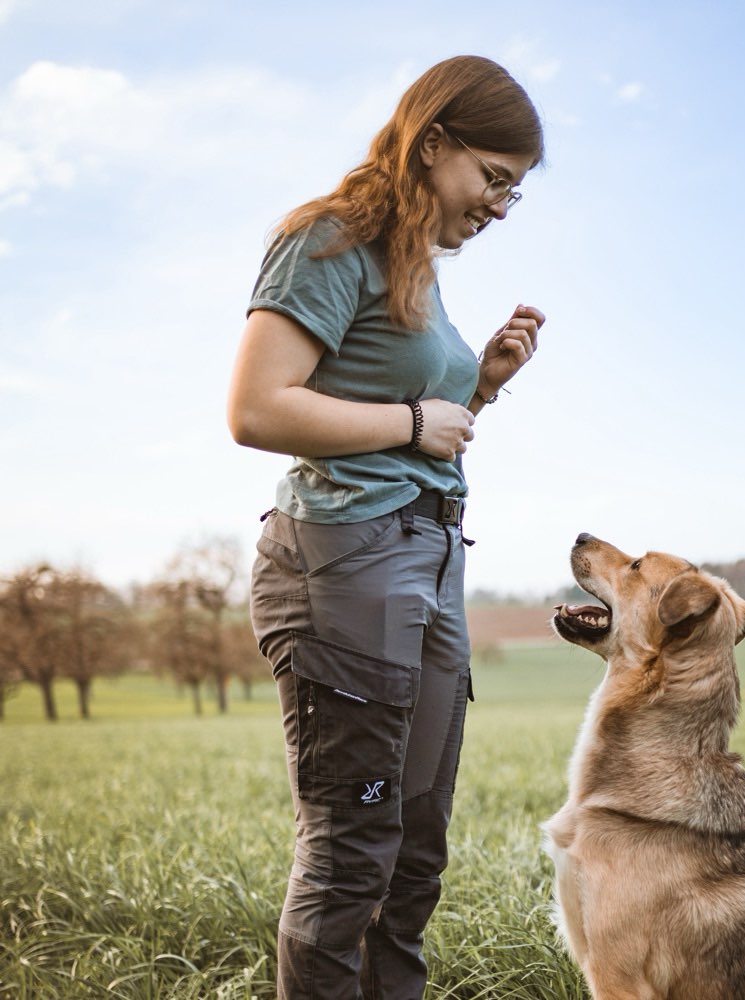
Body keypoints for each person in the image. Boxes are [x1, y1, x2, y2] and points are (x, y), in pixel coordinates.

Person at [226, 55, 545, 1000]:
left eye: (512, 195)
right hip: (346, 561)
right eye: (492, 179)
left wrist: (478, 383)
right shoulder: (330, 239)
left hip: (428, 559)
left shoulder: (416, 267)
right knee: (352, 851)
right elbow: (257, 408)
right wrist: (416, 420)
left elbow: (407, 423)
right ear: (432, 141)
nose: (495, 206)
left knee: (414, 853)